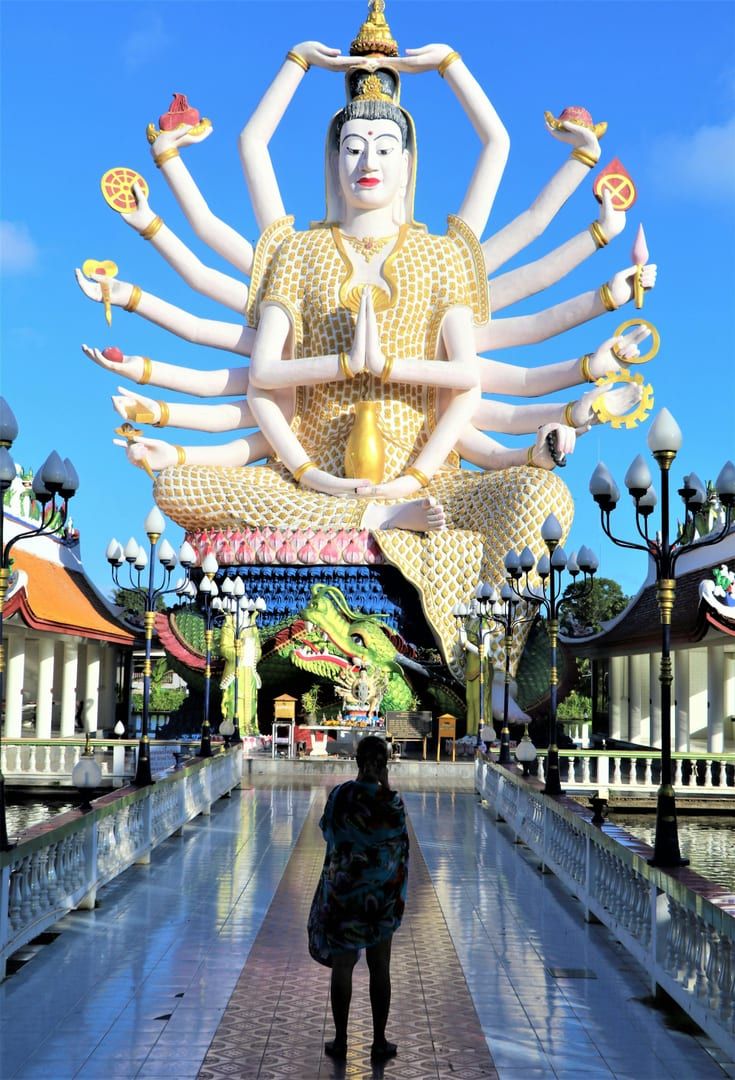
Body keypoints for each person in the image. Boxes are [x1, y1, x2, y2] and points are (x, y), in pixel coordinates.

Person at [308, 734, 409, 1061]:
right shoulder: (391, 803)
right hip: (380, 899)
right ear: (385, 764)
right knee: (380, 967)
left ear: (356, 761)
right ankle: (379, 1041)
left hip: (343, 895)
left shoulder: (340, 795)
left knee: (343, 966)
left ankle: (340, 1041)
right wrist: (386, 785)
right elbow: (399, 844)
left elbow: (328, 832)